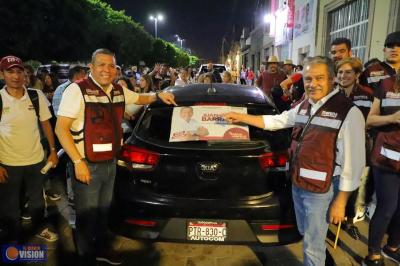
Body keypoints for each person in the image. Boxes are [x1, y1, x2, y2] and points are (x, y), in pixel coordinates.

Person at [224, 56, 365, 266]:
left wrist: (341, 202)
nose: (312, 84)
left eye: (319, 78)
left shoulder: (348, 112)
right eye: (308, 79)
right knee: (306, 234)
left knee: (311, 245)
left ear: (332, 79)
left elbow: (354, 164)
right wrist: (242, 118)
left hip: (321, 192)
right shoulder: (305, 105)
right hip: (298, 184)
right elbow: (277, 121)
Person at [55, 48, 176, 265]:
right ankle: (86, 257)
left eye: (111, 65)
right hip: (87, 164)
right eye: (101, 64)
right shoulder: (76, 90)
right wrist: (77, 162)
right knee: (86, 216)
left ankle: (101, 249)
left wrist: (159, 95)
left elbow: (140, 97)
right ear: (91, 67)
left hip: (110, 162)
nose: (107, 69)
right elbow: (61, 129)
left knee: (103, 212)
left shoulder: (117, 90)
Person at [0, 55, 59, 243]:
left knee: (37, 200)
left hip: (35, 160)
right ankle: (13, 236)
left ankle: (39, 228)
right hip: (8, 162)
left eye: (19, 72)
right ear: (2, 75)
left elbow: (46, 124)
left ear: (25, 74)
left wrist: (52, 150)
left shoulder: (35, 95)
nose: (16, 76)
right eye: (10, 72)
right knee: (10, 205)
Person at [363, 31, 400, 266]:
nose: (395, 49)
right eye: (391, 46)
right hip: (386, 156)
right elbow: (370, 120)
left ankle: (392, 246)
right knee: (387, 207)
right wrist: (394, 117)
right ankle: (373, 255)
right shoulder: (385, 84)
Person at [336, 57, 374, 239]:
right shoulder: (332, 93)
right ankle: (335, 215)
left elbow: (371, 121)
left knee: (355, 184)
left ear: (357, 74)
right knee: (338, 181)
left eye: (348, 72)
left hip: (359, 144)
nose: (343, 76)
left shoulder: (367, 95)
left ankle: (350, 221)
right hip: (335, 146)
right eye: (340, 72)